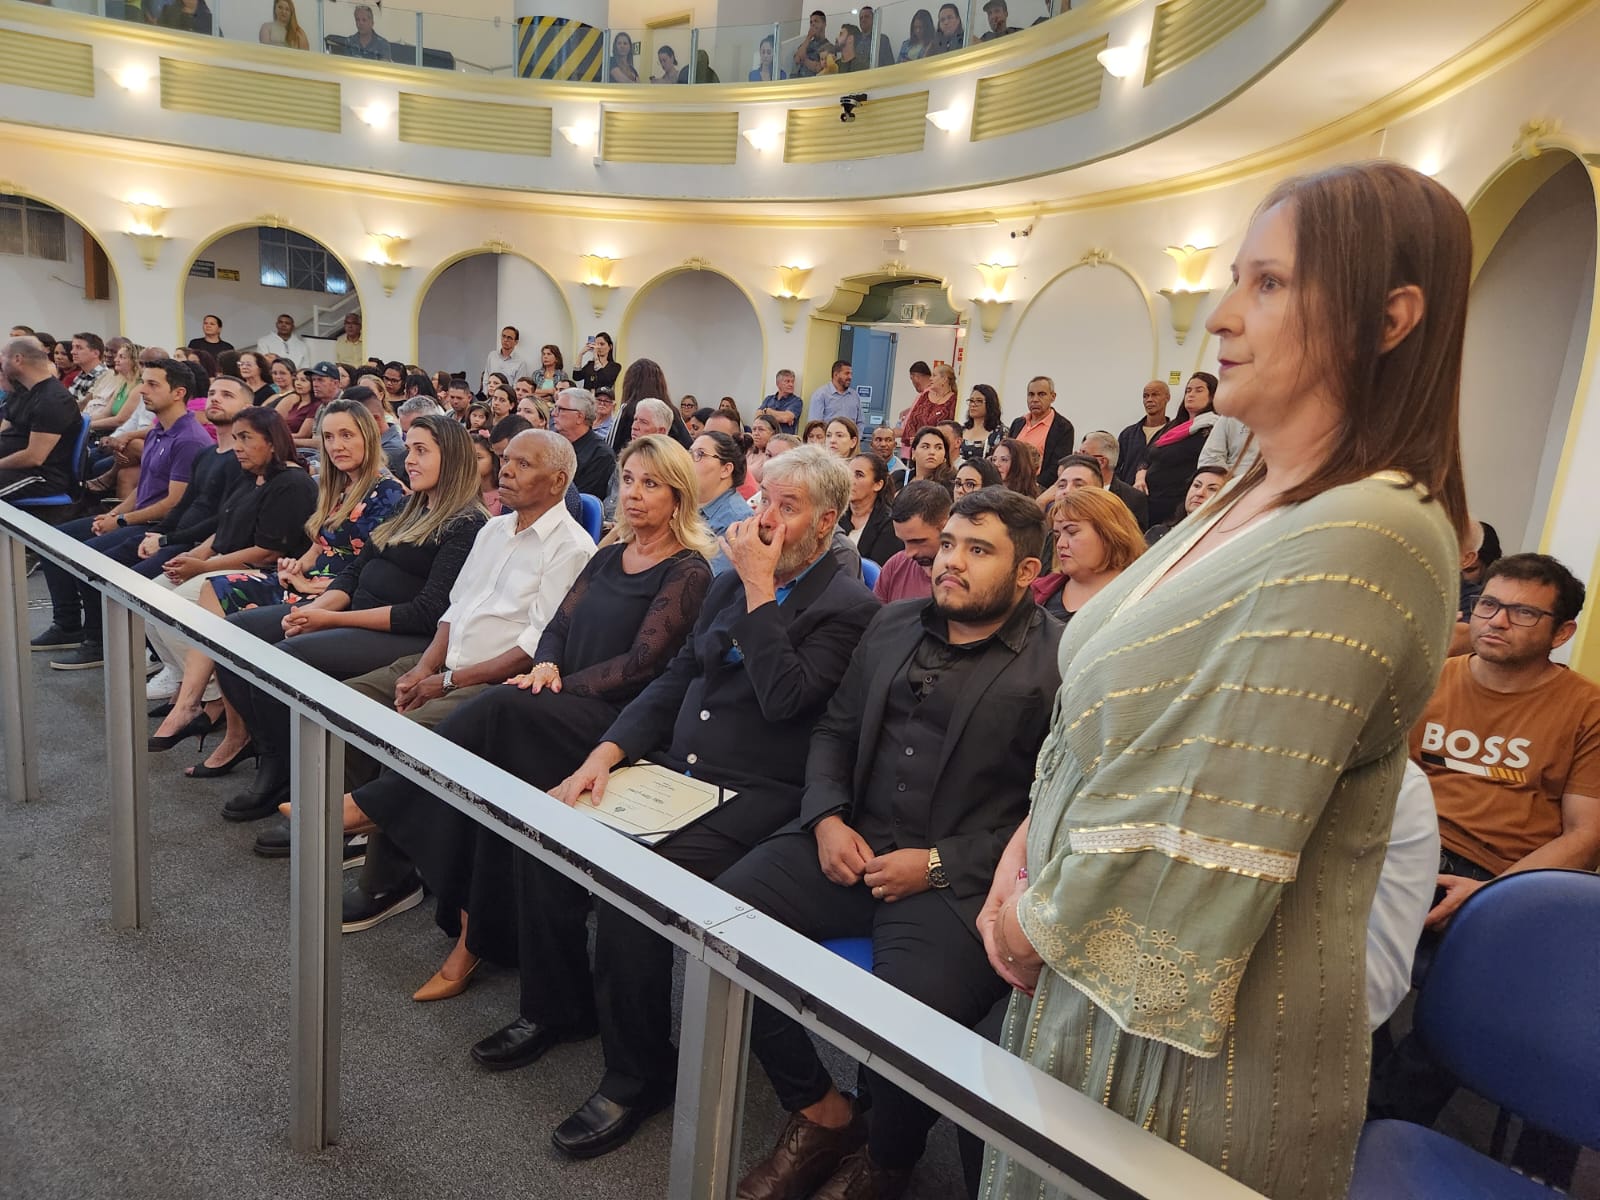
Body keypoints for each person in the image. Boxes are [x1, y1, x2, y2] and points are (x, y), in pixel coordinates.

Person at [978, 161, 1469, 1200]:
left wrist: (1035, 913)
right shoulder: (1243, 496)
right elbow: (1105, 726)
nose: (1218, 315)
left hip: (1207, 1053)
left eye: (1267, 284)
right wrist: (1024, 850)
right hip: (1075, 945)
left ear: (1389, 317)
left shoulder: (1375, 529)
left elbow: (1212, 812)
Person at [496, 446, 878, 1159]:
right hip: (679, 768)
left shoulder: (851, 608)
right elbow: (674, 681)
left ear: (828, 521)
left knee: (631, 883)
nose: (765, 518)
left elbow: (786, 695)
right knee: (549, 824)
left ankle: (638, 1074)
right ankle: (560, 1007)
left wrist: (762, 589)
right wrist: (604, 755)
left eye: (787, 507)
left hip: (759, 792)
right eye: (764, 499)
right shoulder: (734, 584)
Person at [728, 488, 1062, 1200]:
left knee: (911, 1016)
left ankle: (888, 1155)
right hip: (849, 840)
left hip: (957, 879)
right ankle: (819, 1111)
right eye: (948, 545)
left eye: (979, 551)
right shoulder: (892, 625)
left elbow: (1055, 813)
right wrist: (824, 818)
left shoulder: (1058, 664)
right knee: (719, 926)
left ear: (1027, 571)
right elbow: (835, 732)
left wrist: (939, 865)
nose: (952, 562)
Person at [345, 434, 716, 948]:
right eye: (628, 480)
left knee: (496, 706)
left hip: (616, 713)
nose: (633, 494)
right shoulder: (611, 554)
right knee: (488, 749)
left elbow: (640, 666)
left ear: (678, 495)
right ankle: (461, 916)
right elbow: (558, 626)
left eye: (650, 484)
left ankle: (383, 810)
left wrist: (556, 680)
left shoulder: (689, 570)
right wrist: (546, 664)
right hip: (561, 695)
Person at [282, 429, 595, 901]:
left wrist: (446, 681)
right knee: (344, 706)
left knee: (409, 737)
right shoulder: (493, 529)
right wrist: (423, 668)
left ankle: (390, 880)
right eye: (505, 459)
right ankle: (357, 828)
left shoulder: (571, 549)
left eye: (523, 465)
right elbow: (454, 609)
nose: (506, 470)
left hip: (496, 680)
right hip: (448, 658)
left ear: (558, 481)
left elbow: (534, 648)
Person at [1368, 552, 1600, 1172]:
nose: (1497, 621)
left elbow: (1584, 836)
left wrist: (1493, 894)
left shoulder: (1586, 708)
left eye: (1524, 611)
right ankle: (1362, 1102)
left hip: (1505, 875)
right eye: (1489, 604)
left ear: (1563, 632)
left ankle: (1382, 1123)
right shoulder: (1433, 677)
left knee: (1469, 1000)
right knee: (1334, 963)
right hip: (1408, 847)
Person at [216, 415, 488, 822]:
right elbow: (355, 571)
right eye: (409, 449)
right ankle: (272, 756)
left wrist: (335, 622)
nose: (408, 459)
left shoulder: (467, 523)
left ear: (452, 459)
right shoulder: (412, 507)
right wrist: (317, 610)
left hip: (405, 635)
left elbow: (427, 612)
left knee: (284, 658)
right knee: (235, 635)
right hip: (355, 612)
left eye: (421, 451)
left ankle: (303, 783)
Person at [141, 408, 319, 748]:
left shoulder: (291, 483)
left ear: (272, 441)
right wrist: (197, 556)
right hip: (222, 561)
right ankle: (185, 682)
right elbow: (222, 528)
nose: (237, 446)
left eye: (246, 437)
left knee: (178, 605)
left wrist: (204, 568)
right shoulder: (249, 475)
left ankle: (209, 696)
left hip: (261, 570)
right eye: (235, 438)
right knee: (151, 595)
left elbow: (266, 552)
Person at [36, 358, 213, 670]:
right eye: (143, 381)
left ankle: (98, 641)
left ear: (178, 393)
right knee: (53, 541)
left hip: (155, 525)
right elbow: (143, 488)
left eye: (152, 384)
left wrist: (119, 521)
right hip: (137, 516)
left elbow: (172, 503)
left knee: (88, 558)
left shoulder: (189, 439)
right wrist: (113, 514)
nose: (142, 390)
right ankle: (67, 624)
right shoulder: (159, 430)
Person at [134, 374, 253, 589]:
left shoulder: (243, 460)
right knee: (97, 562)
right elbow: (183, 504)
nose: (215, 399)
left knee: (130, 583)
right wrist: (159, 532)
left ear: (247, 408)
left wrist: (165, 540)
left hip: (199, 544)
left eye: (227, 395)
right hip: (175, 535)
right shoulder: (206, 453)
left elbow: (223, 518)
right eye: (211, 394)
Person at [1030, 485, 1144, 624]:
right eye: (1057, 535)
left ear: (1109, 534)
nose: (1060, 544)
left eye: (1071, 532)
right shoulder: (1034, 591)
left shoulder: (1141, 600)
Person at [0, 335, 81, 502]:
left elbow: (34, 457)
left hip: (42, 476)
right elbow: (5, 432)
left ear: (17, 359)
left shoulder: (53, 400)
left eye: (3, 356)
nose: (1, 362)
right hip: (11, 466)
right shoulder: (21, 390)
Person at [1135, 371, 1219, 525]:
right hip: (1149, 501)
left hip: (1176, 505)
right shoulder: (1174, 426)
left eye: (1198, 390)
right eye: (1188, 390)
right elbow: (1147, 456)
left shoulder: (1213, 428)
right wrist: (1140, 477)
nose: (1191, 395)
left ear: (1213, 396)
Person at [873, 480, 950, 603]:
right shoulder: (895, 566)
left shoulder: (970, 578)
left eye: (918, 541)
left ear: (946, 527)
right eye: (904, 542)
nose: (909, 553)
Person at [690, 430, 752, 574]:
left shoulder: (738, 521)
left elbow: (711, 581)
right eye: (689, 453)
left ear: (726, 469)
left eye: (700, 454)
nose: (689, 461)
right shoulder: (686, 505)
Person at [550, 386, 617, 502]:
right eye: (555, 408)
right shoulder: (551, 443)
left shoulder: (600, 455)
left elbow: (580, 501)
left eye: (560, 409)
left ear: (579, 417)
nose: (553, 414)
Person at [1006, 376, 1074, 488]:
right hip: (1009, 483)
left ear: (1053, 397)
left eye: (1041, 394)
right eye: (1031, 394)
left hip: (1038, 487)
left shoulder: (1063, 428)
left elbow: (1058, 467)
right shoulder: (1018, 423)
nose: (1035, 399)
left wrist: (1030, 486)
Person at [1075, 431, 1150, 528]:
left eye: (1083, 454)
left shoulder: (1133, 499)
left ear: (1102, 462)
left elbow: (1135, 539)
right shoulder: (1071, 489)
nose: (1077, 459)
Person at [840, 451, 902, 567]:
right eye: (848, 474)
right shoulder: (836, 515)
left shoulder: (889, 524)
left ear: (878, 484)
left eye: (859, 475)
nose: (850, 480)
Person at [1143, 464, 1228, 545]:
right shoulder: (1159, 533)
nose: (1200, 493)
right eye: (1197, 485)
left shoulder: (1224, 540)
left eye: (1212, 489)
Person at [898, 363, 959, 457]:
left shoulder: (953, 401)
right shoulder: (925, 396)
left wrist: (927, 442)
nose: (930, 378)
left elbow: (949, 429)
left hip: (937, 453)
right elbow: (912, 421)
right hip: (917, 451)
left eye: (934, 375)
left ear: (944, 379)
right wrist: (914, 439)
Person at [892, 425, 957, 493]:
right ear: (913, 452)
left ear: (945, 455)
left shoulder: (952, 483)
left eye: (938, 448)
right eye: (925, 447)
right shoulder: (899, 477)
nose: (932, 452)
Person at [809, 360, 861, 427]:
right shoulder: (820, 395)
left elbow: (860, 422)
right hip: (829, 436)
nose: (850, 377)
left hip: (850, 437)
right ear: (836, 374)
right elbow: (815, 425)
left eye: (851, 374)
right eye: (847, 373)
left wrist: (857, 436)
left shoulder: (855, 396)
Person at [960, 383, 1004, 460]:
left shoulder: (1000, 433)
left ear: (990, 404)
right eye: (971, 400)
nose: (973, 404)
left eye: (979, 401)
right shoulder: (960, 430)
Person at [482, 325, 531, 393]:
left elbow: (517, 387)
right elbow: (486, 378)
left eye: (509, 338)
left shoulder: (520, 363)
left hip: (507, 399)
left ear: (516, 342)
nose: (505, 340)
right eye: (503, 336)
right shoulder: (492, 355)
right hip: (489, 397)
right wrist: (486, 394)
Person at [572, 331, 620, 398]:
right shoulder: (590, 364)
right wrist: (580, 354)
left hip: (602, 400)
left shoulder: (615, 366)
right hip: (587, 399)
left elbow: (604, 379)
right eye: (597, 344)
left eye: (602, 344)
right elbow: (576, 376)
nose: (599, 347)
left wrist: (595, 356)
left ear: (610, 346)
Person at [794, 9, 831, 77]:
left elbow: (820, 68)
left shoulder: (829, 47)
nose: (813, 24)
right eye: (811, 22)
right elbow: (797, 59)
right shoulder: (806, 43)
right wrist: (808, 37)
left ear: (824, 24)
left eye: (816, 21)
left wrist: (804, 59)